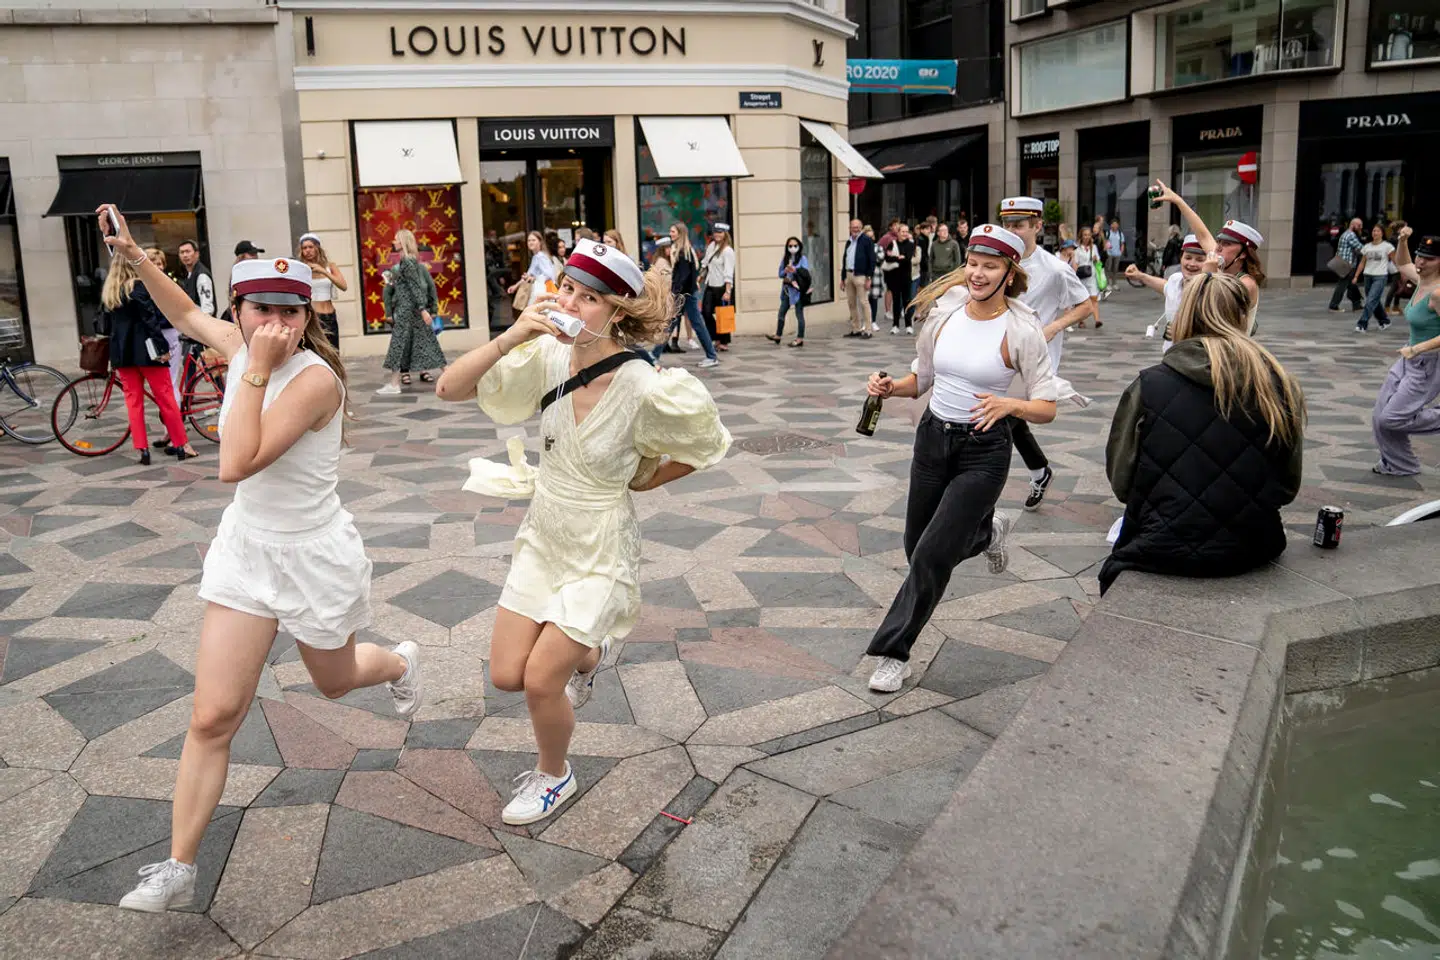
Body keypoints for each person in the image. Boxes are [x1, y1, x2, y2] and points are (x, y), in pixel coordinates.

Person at [98, 204, 421, 914]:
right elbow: (185, 314)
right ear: (239, 310)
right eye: (260, 309)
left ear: (306, 319)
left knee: (335, 683)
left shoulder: (313, 382)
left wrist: (253, 371)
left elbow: (235, 461)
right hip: (248, 553)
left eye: (289, 310)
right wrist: (136, 256)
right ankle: (178, 865)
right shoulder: (241, 343)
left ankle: (398, 662)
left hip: (313, 557)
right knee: (213, 716)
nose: (273, 321)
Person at [435, 239, 731, 824]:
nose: (569, 302)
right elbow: (449, 388)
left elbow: (707, 444)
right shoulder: (544, 353)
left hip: (600, 543)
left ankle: (554, 774)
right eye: (566, 287)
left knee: (542, 682)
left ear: (616, 311)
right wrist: (514, 334)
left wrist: (646, 480)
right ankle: (592, 652)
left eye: (588, 297)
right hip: (544, 533)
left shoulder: (645, 384)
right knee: (505, 676)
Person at [861, 225, 1059, 693]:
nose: (977, 273)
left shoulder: (1021, 331)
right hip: (932, 442)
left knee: (931, 555)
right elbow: (921, 379)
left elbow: (1046, 407)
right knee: (917, 547)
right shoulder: (944, 317)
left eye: (990, 266)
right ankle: (989, 532)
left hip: (983, 451)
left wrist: (1011, 405)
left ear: (1009, 274)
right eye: (973, 263)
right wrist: (889, 389)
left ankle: (894, 652)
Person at [1101, 273, 1305, 594]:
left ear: (1184, 317)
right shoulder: (1278, 385)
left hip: (1158, 548)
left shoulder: (1149, 386)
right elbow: (1287, 488)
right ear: (1242, 318)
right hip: (1254, 546)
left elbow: (1122, 483)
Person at [999, 197, 1095, 511]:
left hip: (1035, 360)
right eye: (1007, 224)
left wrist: (1054, 327)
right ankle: (1040, 471)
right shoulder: (999, 259)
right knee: (1009, 415)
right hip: (1000, 353)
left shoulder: (1054, 269)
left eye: (1019, 225)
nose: (1012, 230)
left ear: (1037, 227)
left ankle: (976, 490)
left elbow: (1085, 306)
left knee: (996, 420)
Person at [98, 254, 197, 465]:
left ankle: (142, 450)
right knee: (166, 398)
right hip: (147, 351)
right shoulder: (138, 286)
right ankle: (181, 444)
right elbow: (149, 320)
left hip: (122, 353)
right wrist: (162, 348)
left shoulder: (110, 290)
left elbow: (104, 325)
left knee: (133, 403)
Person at [1371, 230, 1440, 477]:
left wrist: (1417, 348)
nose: (1421, 262)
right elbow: (1401, 262)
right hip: (1408, 360)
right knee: (1379, 416)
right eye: (1420, 256)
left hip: (1428, 364)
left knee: (1392, 418)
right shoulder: (1422, 280)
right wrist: (1402, 241)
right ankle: (1401, 465)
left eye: (1429, 258)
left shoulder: (1438, 292)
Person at [377, 230, 446, 395]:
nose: (393, 241)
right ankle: (394, 383)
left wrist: (423, 309)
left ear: (403, 242)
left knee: (400, 345)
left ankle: (395, 384)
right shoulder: (406, 261)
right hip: (407, 310)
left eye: (396, 239)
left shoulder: (407, 261)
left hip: (407, 311)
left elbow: (416, 287)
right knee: (421, 343)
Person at [1127, 234, 1212, 352]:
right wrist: (1140, 276)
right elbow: (1165, 286)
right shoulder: (1175, 279)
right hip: (1170, 354)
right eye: (1188, 257)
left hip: (1197, 358)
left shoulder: (1212, 290)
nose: (1192, 264)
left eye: (1200, 260)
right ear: (1181, 258)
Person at [662, 223, 718, 367]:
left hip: (685, 294)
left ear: (680, 233)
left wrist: (675, 292)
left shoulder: (683, 253)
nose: (671, 233)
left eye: (673, 231)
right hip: (684, 293)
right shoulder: (682, 250)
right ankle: (654, 354)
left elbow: (683, 277)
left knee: (696, 324)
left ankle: (712, 356)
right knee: (672, 322)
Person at [297, 232, 348, 347]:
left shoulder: (330, 266)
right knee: (317, 351)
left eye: (311, 247)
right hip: (314, 316)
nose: (308, 250)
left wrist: (323, 271)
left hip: (330, 314)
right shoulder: (301, 269)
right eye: (304, 248)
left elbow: (343, 286)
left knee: (334, 350)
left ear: (317, 248)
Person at [700, 223, 736, 352]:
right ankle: (716, 337)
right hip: (710, 284)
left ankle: (724, 341)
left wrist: (728, 291)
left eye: (720, 232)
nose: (717, 234)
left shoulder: (728, 251)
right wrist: (700, 278)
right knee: (706, 313)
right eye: (715, 232)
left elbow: (728, 272)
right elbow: (705, 263)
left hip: (721, 287)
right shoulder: (711, 246)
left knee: (723, 315)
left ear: (725, 234)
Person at [1354, 222, 1396, 333]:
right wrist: (1356, 276)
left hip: (1380, 276)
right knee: (1374, 301)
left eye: (1377, 231)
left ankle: (1362, 324)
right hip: (1368, 276)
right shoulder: (1367, 247)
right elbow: (1362, 263)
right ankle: (1384, 321)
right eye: (1373, 231)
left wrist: (1403, 273)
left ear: (1382, 233)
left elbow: (1395, 260)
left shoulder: (1388, 246)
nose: (1375, 233)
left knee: (1370, 300)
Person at [767, 237, 808, 348]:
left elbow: (805, 272)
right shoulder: (785, 259)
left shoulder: (803, 259)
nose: (793, 248)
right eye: (790, 246)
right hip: (786, 289)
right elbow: (780, 274)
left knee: (799, 314)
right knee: (781, 313)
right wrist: (785, 270)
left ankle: (800, 338)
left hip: (797, 290)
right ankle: (778, 335)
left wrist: (794, 270)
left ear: (799, 246)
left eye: (795, 246)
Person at [841, 218, 877, 338]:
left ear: (861, 228)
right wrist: (842, 278)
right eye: (853, 227)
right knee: (851, 303)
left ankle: (868, 329)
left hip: (861, 275)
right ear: (850, 228)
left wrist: (869, 277)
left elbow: (872, 259)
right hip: (849, 274)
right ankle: (855, 328)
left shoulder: (866, 240)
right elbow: (844, 260)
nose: (855, 229)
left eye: (857, 227)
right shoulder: (848, 241)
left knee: (863, 302)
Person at [508, 231, 559, 306]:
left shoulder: (540, 256)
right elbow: (529, 274)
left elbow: (549, 275)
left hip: (542, 291)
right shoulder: (536, 256)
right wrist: (516, 286)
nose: (530, 242)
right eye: (529, 240)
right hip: (540, 291)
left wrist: (533, 278)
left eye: (533, 240)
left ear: (540, 242)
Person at [884, 223, 917, 335]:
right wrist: (898, 257)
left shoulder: (911, 244)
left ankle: (908, 325)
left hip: (906, 277)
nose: (905, 234)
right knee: (896, 302)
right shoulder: (892, 243)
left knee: (907, 301)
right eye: (902, 231)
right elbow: (887, 258)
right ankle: (895, 325)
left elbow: (907, 259)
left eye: (906, 232)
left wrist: (897, 258)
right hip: (894, 277)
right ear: (897, 232)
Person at [1328, 218, 1365, 312]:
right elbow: (1361, 248)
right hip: (1346, 264)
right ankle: (1333, 305)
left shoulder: (1346, 233)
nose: (1361, 228)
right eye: (1359, 225)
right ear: (1353, 225)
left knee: (1352, 284)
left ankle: (1357, 304)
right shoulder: (1351, 235)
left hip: (1344, 263)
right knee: (1342, 284)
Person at [1073, 225, 1103, 328]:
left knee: (1094, 298)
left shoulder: (1093, 247)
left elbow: (1098, 261)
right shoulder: (1077, 249)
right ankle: (1081, 320)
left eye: (1088, 235)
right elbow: (1075, 263)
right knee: (1081, 300)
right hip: (1081, 276)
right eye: (1085, 235)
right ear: (1081, 236)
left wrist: (1096, 259)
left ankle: (1097, 320)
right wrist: (1074, 276)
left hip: (1092, 276)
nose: (1086, 237)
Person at [178, 240, 216, 317]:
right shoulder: (189, 274)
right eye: (182, 252)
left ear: (196, 254)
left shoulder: (202, 275)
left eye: (188, 251)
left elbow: (207, 307)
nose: (185, 255)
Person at [914, 220, 934, 294]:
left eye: (929, 229)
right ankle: (920, 304)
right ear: (922, 230)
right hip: (922, 266)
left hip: (923, 265)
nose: (929, 231)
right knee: (922, 286)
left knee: (923, 286)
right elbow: (921, 255)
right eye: (927, 229)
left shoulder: (924, 238)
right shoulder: (920, 239)